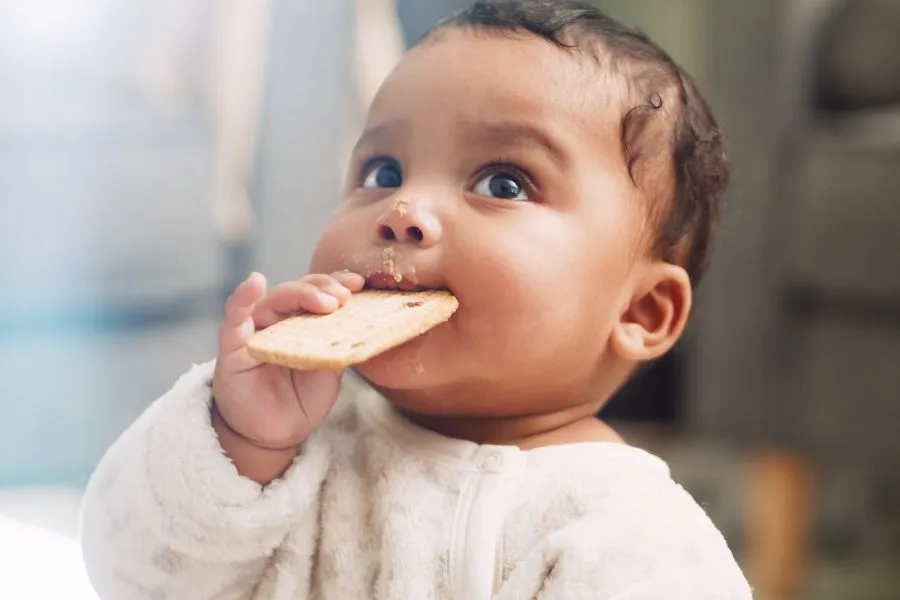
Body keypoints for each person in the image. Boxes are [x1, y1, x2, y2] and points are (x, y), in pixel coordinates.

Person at [79, 1, 751, 598]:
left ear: (639, 312)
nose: (403, 209)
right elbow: (131, 576)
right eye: (383, 171)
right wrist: (238, 442)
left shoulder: (631, 535)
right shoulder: (294, 456)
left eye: (504, 183)